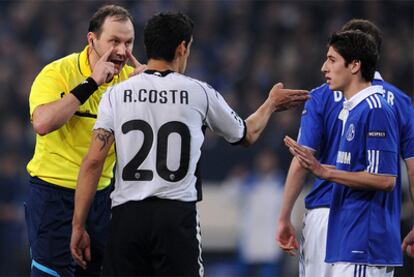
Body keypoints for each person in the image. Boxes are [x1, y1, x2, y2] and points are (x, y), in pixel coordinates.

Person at [70, 12, 309, 276]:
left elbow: (93, 162)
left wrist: (78, 225)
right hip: (176, 216)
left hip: (127, 217)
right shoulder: (199, 92)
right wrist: (271, 103)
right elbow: (246, 134)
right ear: (182, 47)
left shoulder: (117, 94)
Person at [276, 19, 414, 276]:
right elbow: (413, 166)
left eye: (332, 59)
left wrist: (284, 216)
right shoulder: (397, 102)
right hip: (357, 218)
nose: (325, 67)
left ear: (355, 62)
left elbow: (303, 162)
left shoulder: (352, 103)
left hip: (355, 220)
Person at [25, 4, 146, 276]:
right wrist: (91, 83)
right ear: (92, 40)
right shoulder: (57, 73)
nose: (122, 51)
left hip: (101, 198)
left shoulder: (132, 82)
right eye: (114, 41)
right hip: (54, 194)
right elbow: (43, 123)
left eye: (128, 43)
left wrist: (152, 88)